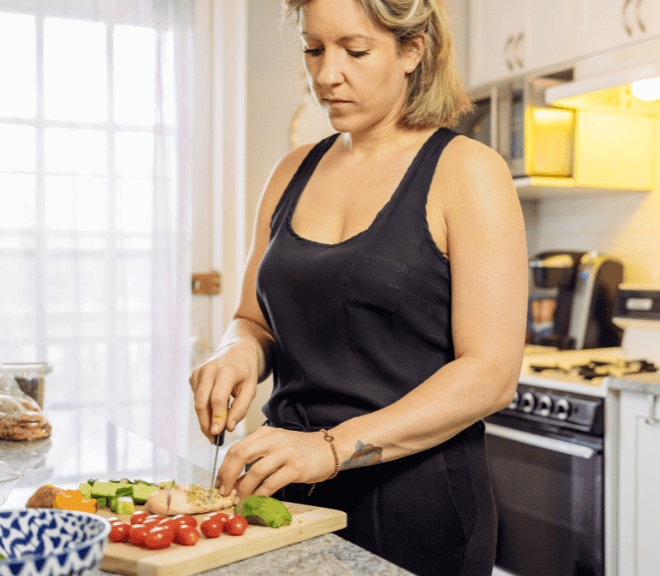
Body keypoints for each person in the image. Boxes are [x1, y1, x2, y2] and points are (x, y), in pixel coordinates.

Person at [189, 0, 527, 573]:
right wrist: (236, 351)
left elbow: (490, 375)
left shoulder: (468, 171)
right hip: (286, 490)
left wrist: (329, 447)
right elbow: (254, 318)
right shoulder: (291, 172)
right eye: (313, 49)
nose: (326, 74)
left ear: (412, 50)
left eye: (355, 50)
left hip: (416, 504)